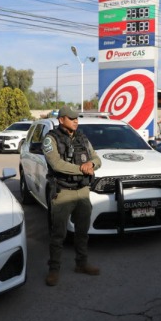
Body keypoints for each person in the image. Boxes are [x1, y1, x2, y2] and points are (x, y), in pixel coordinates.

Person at [42, 106, 102, 286]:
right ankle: (54, 269)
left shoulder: (82, 138)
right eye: (71, 118)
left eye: (77, 118)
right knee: (58, 234)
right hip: (63, 192)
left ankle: (81, 264)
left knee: (82, 231)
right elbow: (56, 164)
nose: (76, 121)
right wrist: (82, 169)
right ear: (61, 120)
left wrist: (91, 164)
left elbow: (96, 158)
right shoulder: (50, 139)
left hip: (82, 191)